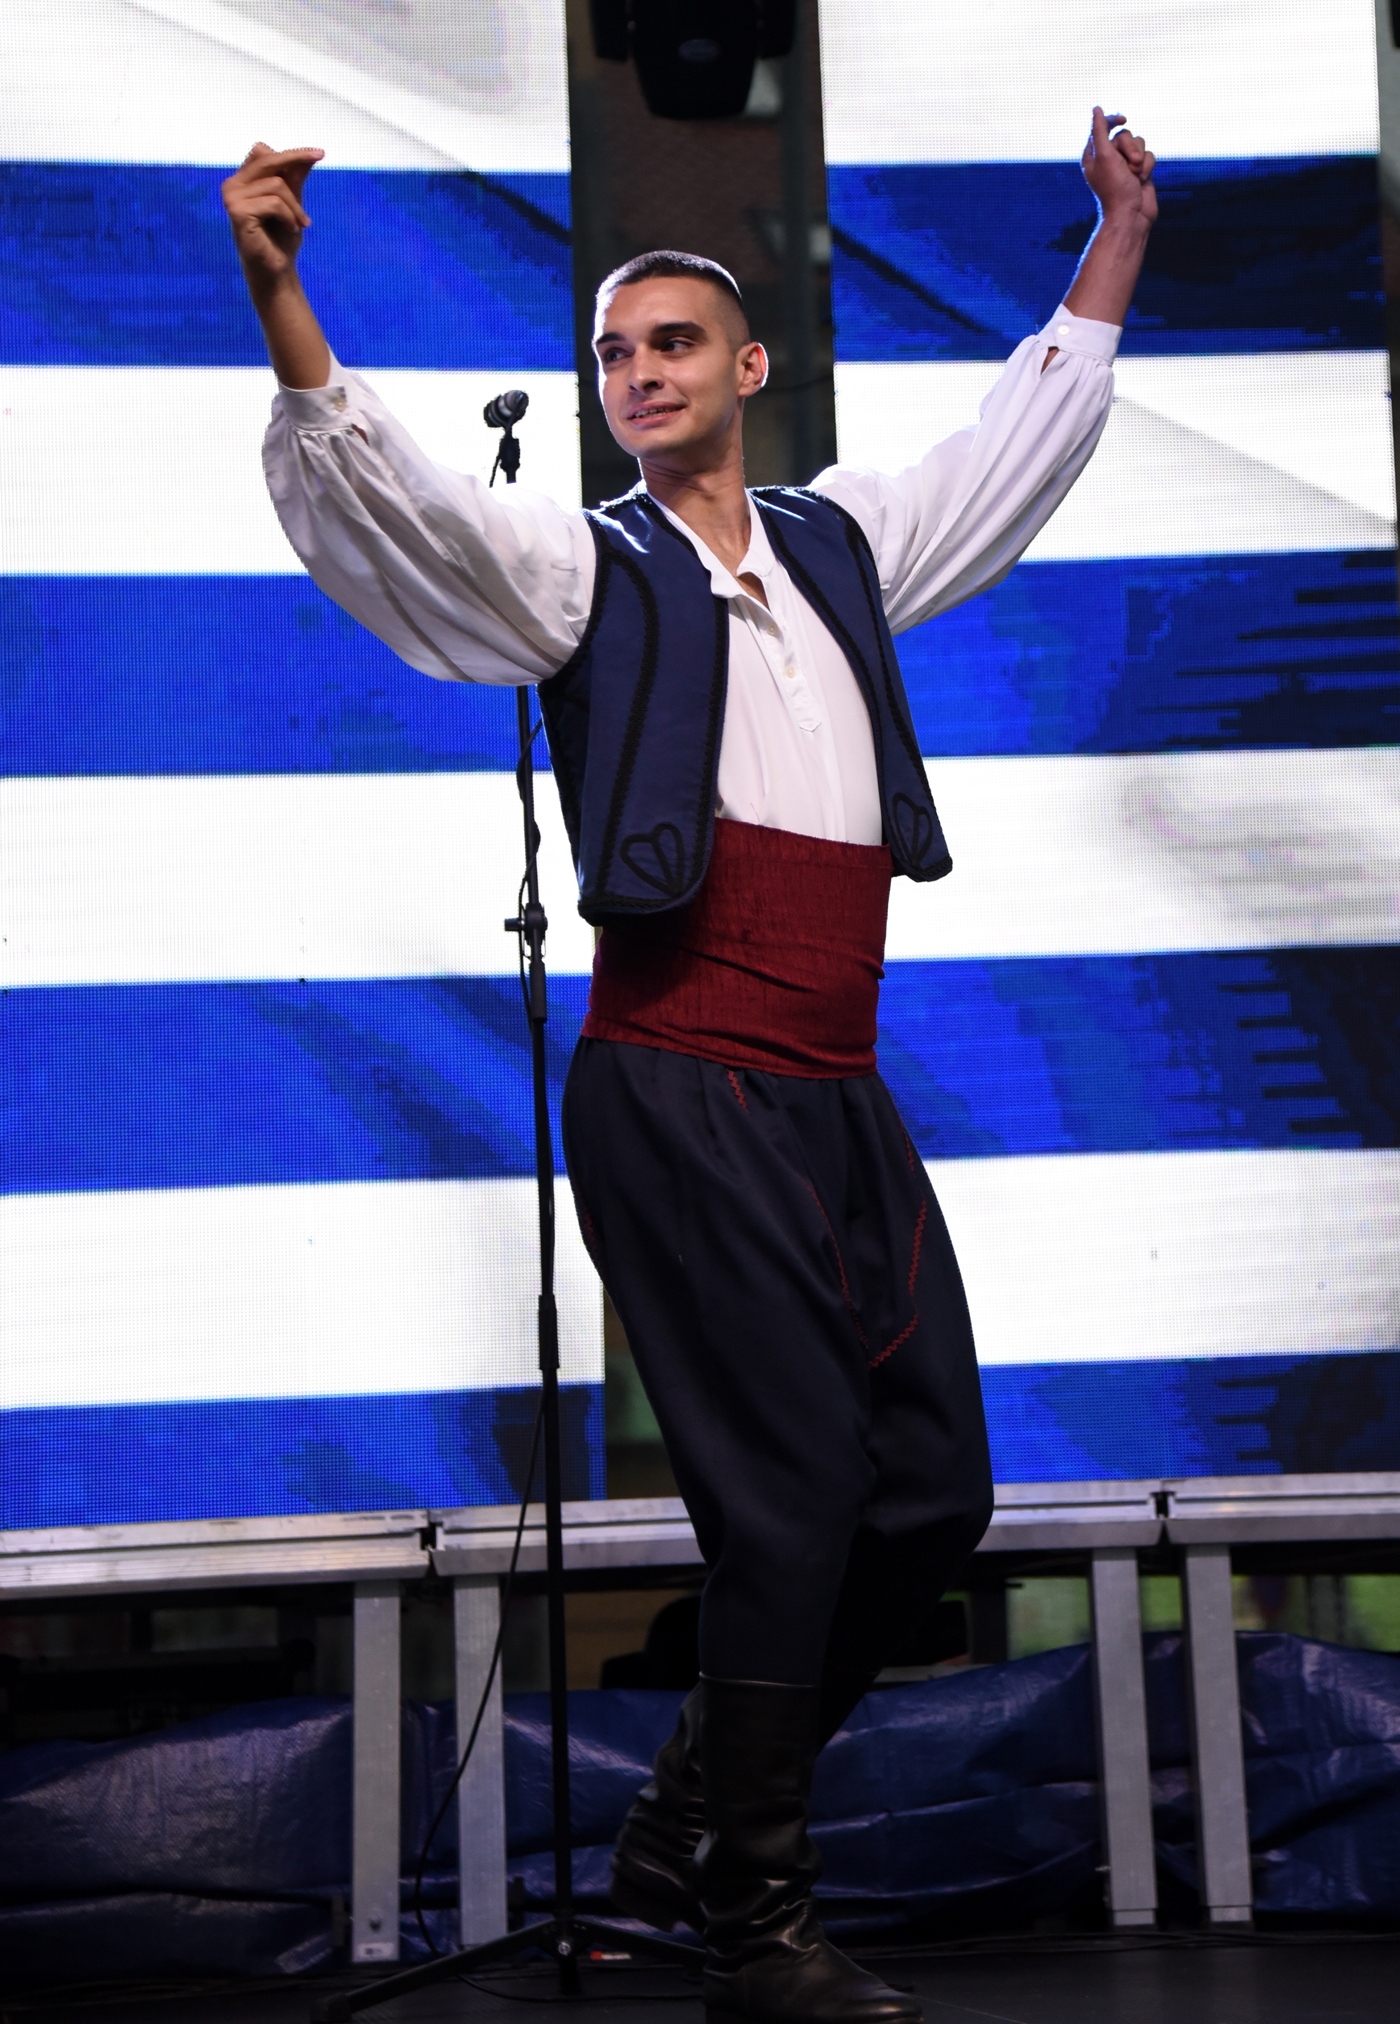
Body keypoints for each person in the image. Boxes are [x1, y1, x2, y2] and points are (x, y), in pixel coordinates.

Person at [224, 106, 1155, 2024]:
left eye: (671, 345)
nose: (638, 375)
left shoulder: (840, 545)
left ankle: (693, 1822)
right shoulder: (588, 572)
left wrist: (1117, 239)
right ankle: (755, 1925)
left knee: (932, 1496)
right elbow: (405, 511)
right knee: (796, 1495)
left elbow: (1017, 444)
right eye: (612, 355)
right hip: (679, 1080)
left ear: (750, 368)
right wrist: (284, 303)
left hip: (832, 1084)